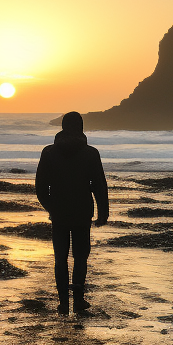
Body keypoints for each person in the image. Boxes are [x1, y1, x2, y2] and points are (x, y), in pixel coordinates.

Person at [35, 111, 109, 314]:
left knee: (60, 258)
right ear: (81, 127)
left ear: (62, 126)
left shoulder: (49, 152)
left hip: (59, 213)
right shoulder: (90, 153)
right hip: (82, 211)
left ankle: (63, 303)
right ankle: (78, 301)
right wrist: (103, 212)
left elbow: (40, 187)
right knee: (80, 257)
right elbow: (99, 185)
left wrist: (51, 207)